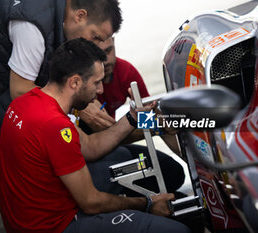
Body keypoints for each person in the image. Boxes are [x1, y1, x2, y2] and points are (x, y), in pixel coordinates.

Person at [0, 38, 190, 233]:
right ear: (75, 82)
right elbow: (91, 202)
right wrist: (148, 203)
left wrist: (132, 118)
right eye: (96, 83)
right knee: (178, 230)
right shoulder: (55, 126)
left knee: (142, 162)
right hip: (55, 226)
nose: (100, 90)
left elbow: (89, 147)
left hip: (26, 217)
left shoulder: (25, 102)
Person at [0, 0, 122, 206]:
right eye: (95, 37)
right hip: (6, 111)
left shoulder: (59, 18)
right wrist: (77, 109)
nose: (94, 46)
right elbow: (19, 89)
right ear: (80, 16)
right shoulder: (32, 25)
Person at [77, 37, 185, 196]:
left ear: (114, 43)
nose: (105, 61)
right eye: (97, 55)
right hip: (86, 154)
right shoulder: (80, 85)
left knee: (175, 173)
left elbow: (151, 117)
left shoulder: (126, 72)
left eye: (108, 51)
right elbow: (109, 132)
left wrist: (195, 166)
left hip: (113, 144)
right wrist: (155, 125)